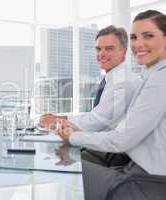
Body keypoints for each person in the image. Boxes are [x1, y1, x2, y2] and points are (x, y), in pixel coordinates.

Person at [56, 10, 166, 200]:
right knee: (64, 165)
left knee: (64, 175)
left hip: (144, 178)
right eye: (134, 37)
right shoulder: (150, 76)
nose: (138, 44)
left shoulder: (159, 80)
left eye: (148, 36)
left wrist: (74, 136)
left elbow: (119, 137)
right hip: (134, 166)